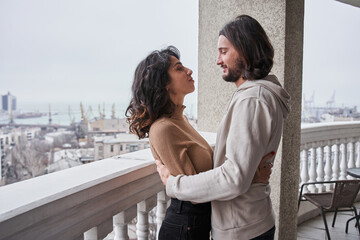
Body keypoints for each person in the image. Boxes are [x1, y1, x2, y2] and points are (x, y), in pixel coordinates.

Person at [155, 15, 291, 240]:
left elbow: (233, 177)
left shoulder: (252, 99)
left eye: (223, 51)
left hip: (243, 228)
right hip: (249, 222)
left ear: (245, 50)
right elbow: (240, 170)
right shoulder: (255, 95)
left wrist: (174, 184)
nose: (218, 60)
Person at [126, 46, 274, 240]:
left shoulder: (182, 120)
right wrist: (248, 179)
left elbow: (204, 177)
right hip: (184, 228)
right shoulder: (163, 128)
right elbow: (193, 194)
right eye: (179, 68)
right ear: (164, 84)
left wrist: (248, 174)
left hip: (199, 224)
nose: (189, 70)